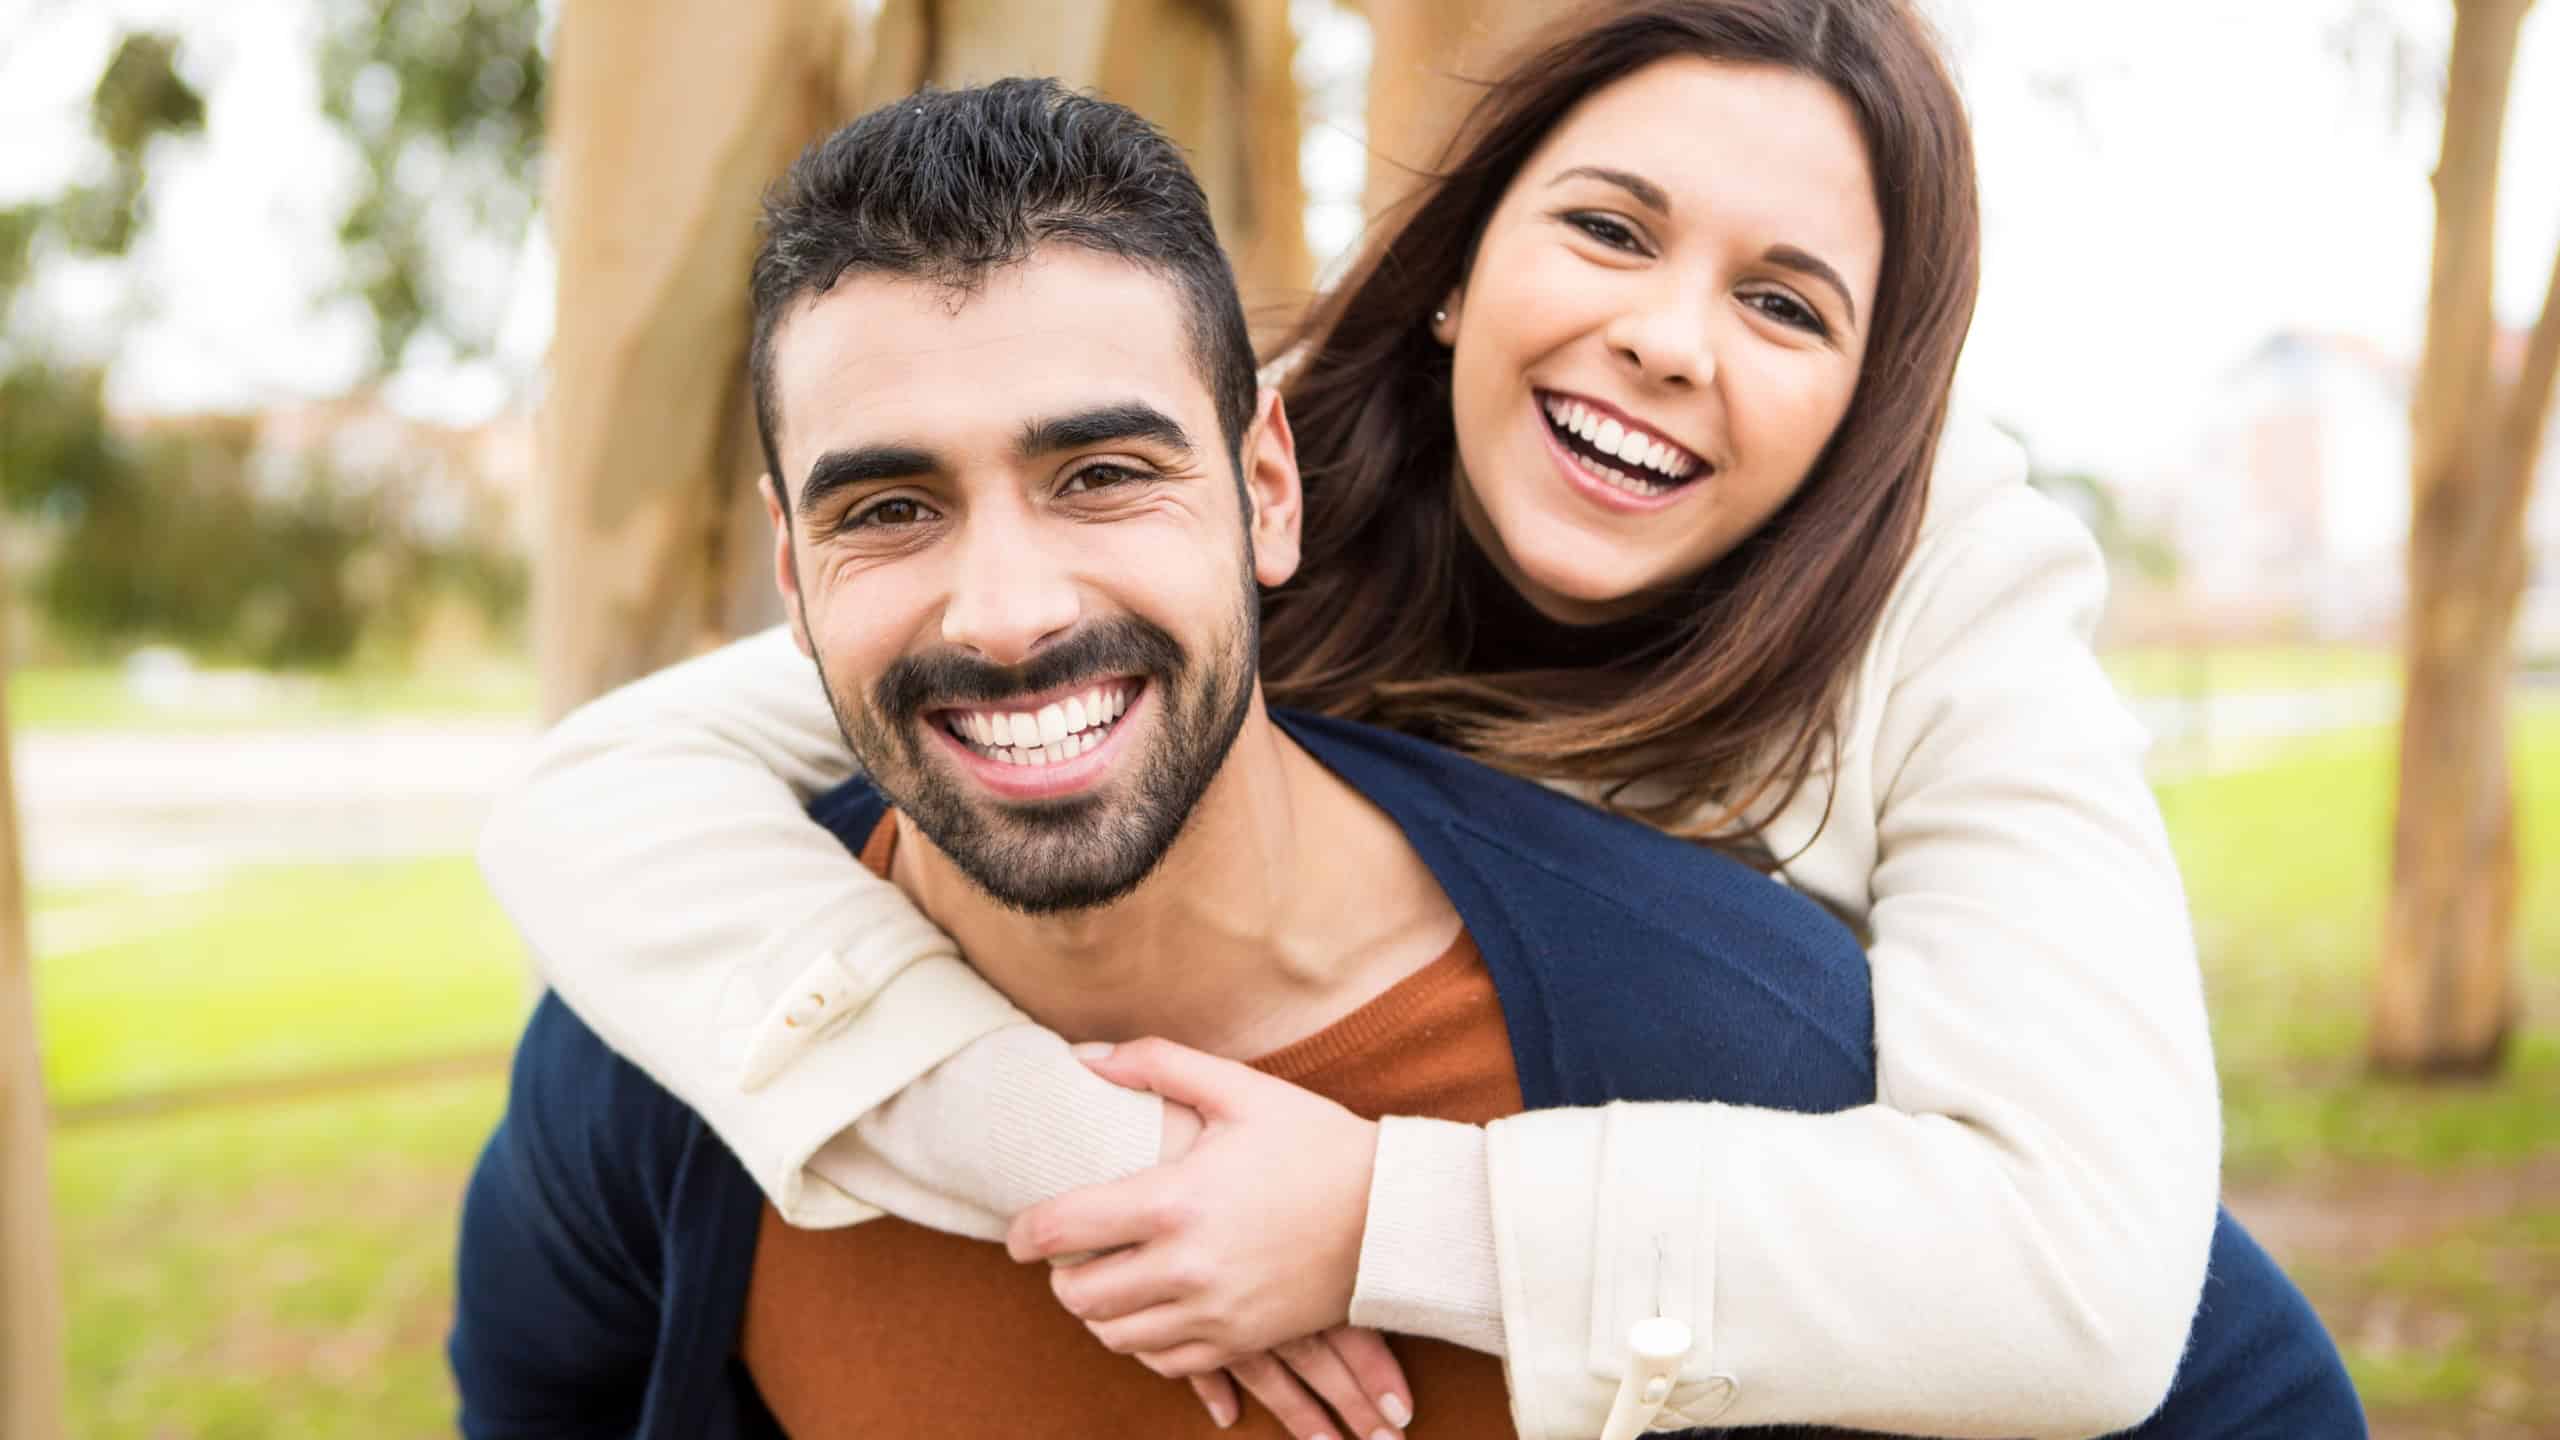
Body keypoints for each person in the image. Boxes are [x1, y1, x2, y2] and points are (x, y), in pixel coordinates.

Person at [473, 3, 2323, 1435]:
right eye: (1609, 228)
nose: (1672, 337)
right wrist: (1098, 1170)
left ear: (1871, 404)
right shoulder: (1210, 462)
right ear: (1453, 268)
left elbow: (2094, 1283)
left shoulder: (1952, 622)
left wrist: (1383, 1220)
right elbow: (610, 794)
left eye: (1784, 303)